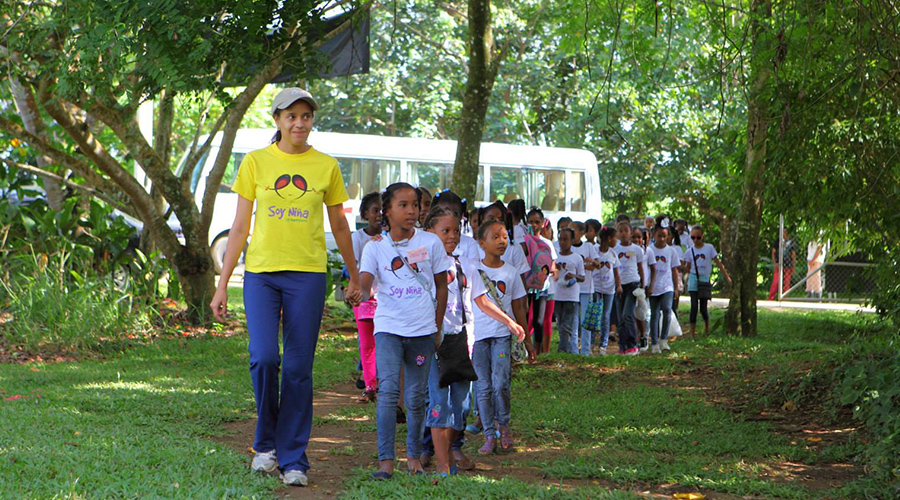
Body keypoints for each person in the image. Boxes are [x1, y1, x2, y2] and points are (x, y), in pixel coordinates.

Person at [210, 87, 362, 487]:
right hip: (261, 274)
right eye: (291, 116)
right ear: (276, 120)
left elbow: (341, 225)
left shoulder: (326, 166)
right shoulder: (255, 162)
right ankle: (265, 445)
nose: (299, 123)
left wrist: (354, 273)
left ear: (312, 121)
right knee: (263, 358)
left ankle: (293, 457)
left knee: (297, 368)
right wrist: (222, 284)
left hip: (308, 275)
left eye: (306, 116)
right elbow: (240, 227)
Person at [359, 182, 450, 480]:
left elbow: (440, 286)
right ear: (387, 210)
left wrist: (436, 327)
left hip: (423, 332)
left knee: (415, 396)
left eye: (415, 205)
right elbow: (365, 280)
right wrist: (358, 289)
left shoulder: (431, 243)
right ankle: (385, 462)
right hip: (388, 329)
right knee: (387, 392)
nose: (412, 211)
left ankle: (413, 459)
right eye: (403, 205)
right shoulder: (375, 247)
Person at [423, 205, 522, 475]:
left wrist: (510, 322)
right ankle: (442, 463)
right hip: (434, 342)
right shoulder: (422, 263)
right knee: (439, 401)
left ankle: (452, 450)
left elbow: (481, 299)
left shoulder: (467, 264)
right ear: (429, 232)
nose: (453, 236)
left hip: (464, 341)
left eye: (456, 230)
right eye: (446, 231)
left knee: (462, 405)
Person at [473, 220, 530, 454]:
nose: (502, 241)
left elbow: (519, 307)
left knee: (501, 384)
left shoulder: (511, 272)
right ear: (481, 243)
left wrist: (525, 338)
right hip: (478, 337)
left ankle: (504, 427)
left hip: (501, 336)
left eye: (505, 237)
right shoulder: (473, 269)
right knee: (483, 387)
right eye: (495, 237)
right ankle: (488, 435)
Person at [352, 192, 382, 403]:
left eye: (382, 210)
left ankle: (384, 383)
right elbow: (353, 266)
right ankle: (370, 385)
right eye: (375, 210)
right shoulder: (358, 238)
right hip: (364, 297)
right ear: (365, 214)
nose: (379, 215)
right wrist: (362, 288)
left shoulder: (391, 237)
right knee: (367, 342)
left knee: (385, 341)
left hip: (387, 297)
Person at [684, 225, 731, 337]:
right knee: (694, 306)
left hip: (704, 278)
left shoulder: (709, 248)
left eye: (698, 237)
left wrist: (727, 277)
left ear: (702, 236)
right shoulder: (689, 251)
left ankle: (707, 326)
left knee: (703, 307)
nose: (695, 240)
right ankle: (692, 332)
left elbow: (718, 262)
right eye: (693, 237)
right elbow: (687, 267)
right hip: (693, 278)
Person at [525, 208, 558, 354]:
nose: (534, 225)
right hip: (524, 287)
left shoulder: (547, 243)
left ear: (543, 223)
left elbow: (553, 266)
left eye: (537, 222)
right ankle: (524, 350)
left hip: (542, 288)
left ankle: (537, 352)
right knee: (525, 320)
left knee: (539, 321)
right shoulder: (523, 242)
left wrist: (549, 272)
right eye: (530, 222)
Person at [646, 223, 680, 353]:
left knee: (667, 309)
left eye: (664, 236)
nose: (662, 239)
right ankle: (654, 343)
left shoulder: (671, 251)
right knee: (654, 314)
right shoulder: (649, 250)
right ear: (654, 235)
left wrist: (676, 288)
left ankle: (664, 339)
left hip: (667, 286)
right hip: (653, 287)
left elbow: (674, 270)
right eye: (659, 235)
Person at [614, 221, 644, 356]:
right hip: (619, 286)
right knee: (620, 318)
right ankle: (623, 346)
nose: (623, 233)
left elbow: (641, 268)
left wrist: (643, 286)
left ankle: (633, 345)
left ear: (631, 233)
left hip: (633, 285)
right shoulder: (614, 249)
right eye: (620, 231)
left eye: (626, 230)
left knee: (628, 314)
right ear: (617, 233)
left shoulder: (637, 249)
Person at [553, 228, 585, 354]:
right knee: (560, 324)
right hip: (557, 295)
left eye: (565, 239)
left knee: (567, 326)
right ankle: (566, 350)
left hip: (571, 297)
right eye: (560, 239)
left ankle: (563, 352)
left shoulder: (577, 258)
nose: (562, 242)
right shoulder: (555, 256)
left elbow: (582, 277)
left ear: (572, 240)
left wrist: (573, 276)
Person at [571, 221, 600, 355]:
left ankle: (586, 350)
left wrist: (592, 262)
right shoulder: (567, 247)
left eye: (573, 230)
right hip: (571, 290)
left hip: (586, 289)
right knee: (573, 320)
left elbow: (597, 264)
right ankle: (573, 350)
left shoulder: (588, 246)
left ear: (582, 233)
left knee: (585, 321)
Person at [595, 226, 621, 355]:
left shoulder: (613, 254)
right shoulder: (595, 251)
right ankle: (590, 341)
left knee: (606, 316)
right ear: (609, 238)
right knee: (595, 315)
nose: (617, 240)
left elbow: (616, 272)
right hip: (596, 288)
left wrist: (619, 286)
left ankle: (603, 345)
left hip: (609, 289)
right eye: (615, 237)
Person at [768, 227, 797, 300]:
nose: (783, 233)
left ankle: (785, 297)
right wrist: (775, 263)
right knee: (775, 281)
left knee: (786, 282)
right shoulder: (778, 241)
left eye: (785, 232)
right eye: (782, 232)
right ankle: (771, 297)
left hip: (788, 265)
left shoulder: (791, 242)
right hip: (779, 264)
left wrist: (793, 266)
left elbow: (793, 255)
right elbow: (773, 252)